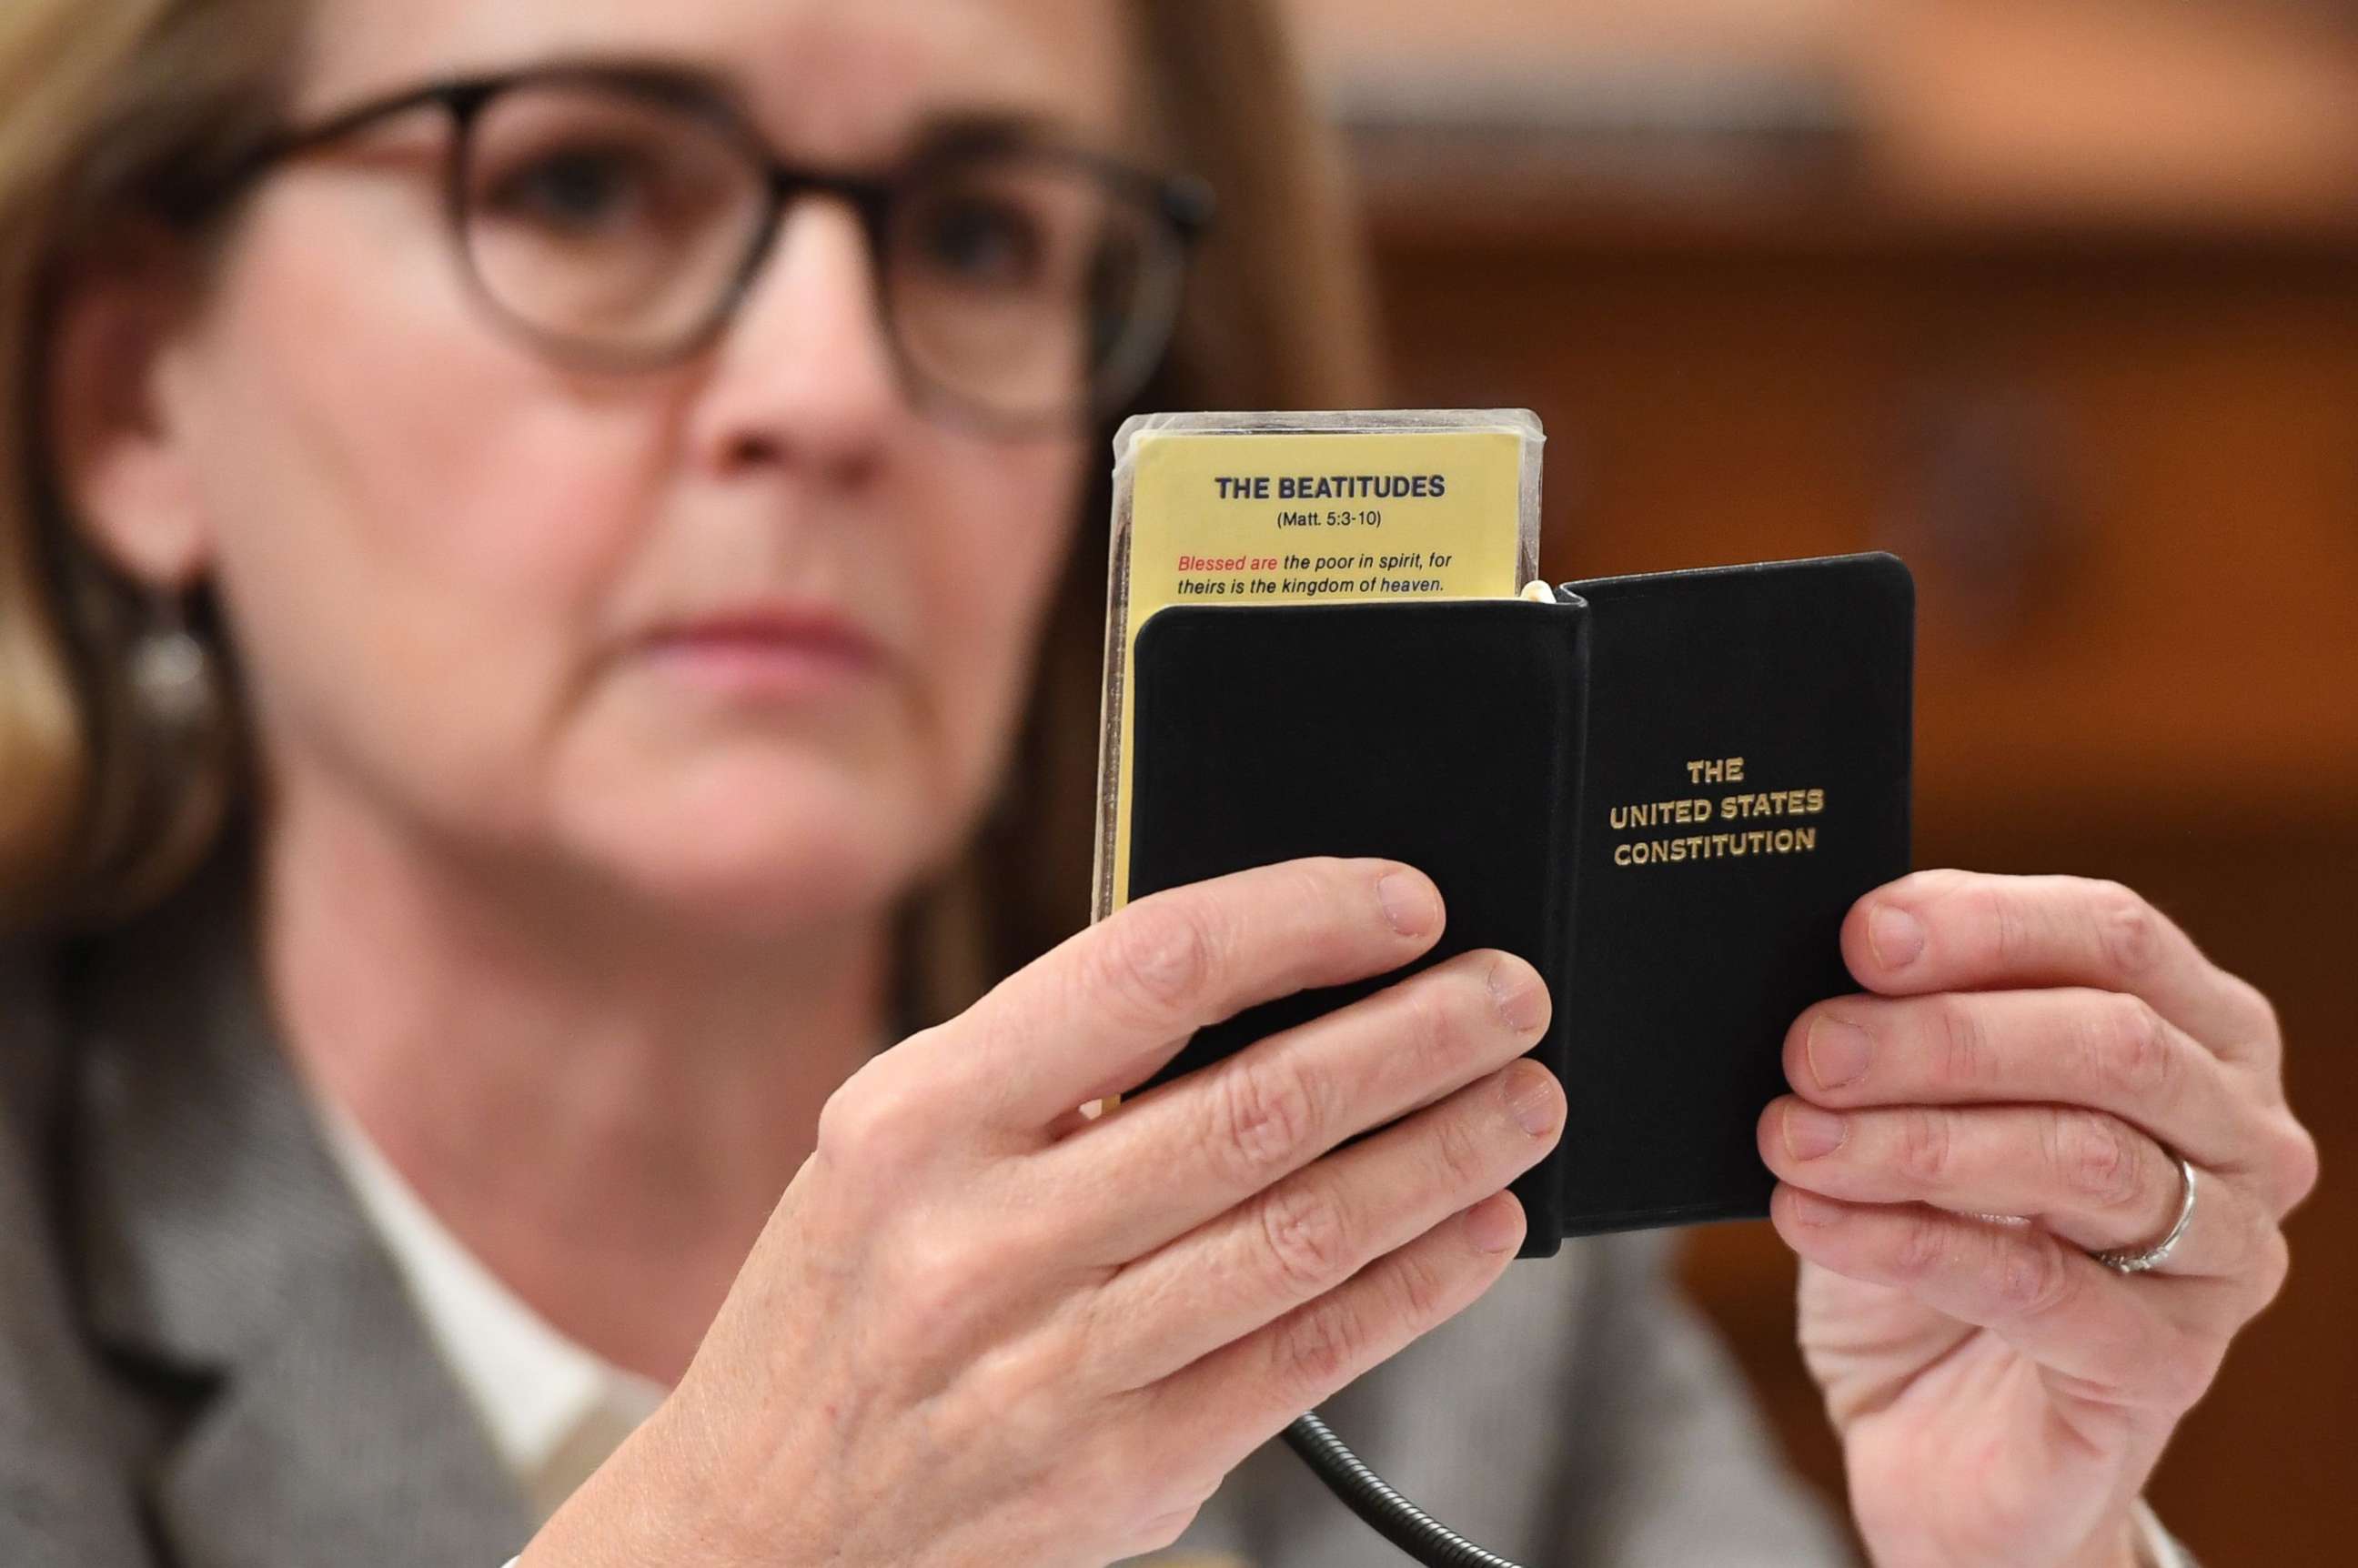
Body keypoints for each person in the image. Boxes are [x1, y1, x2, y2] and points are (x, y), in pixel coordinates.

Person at [0, 1, 2318, 1564]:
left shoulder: (1420, 1202)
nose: (830, 391)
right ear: (131, 398)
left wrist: (2022, 1541)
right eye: (590, 190)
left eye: (985, 236)